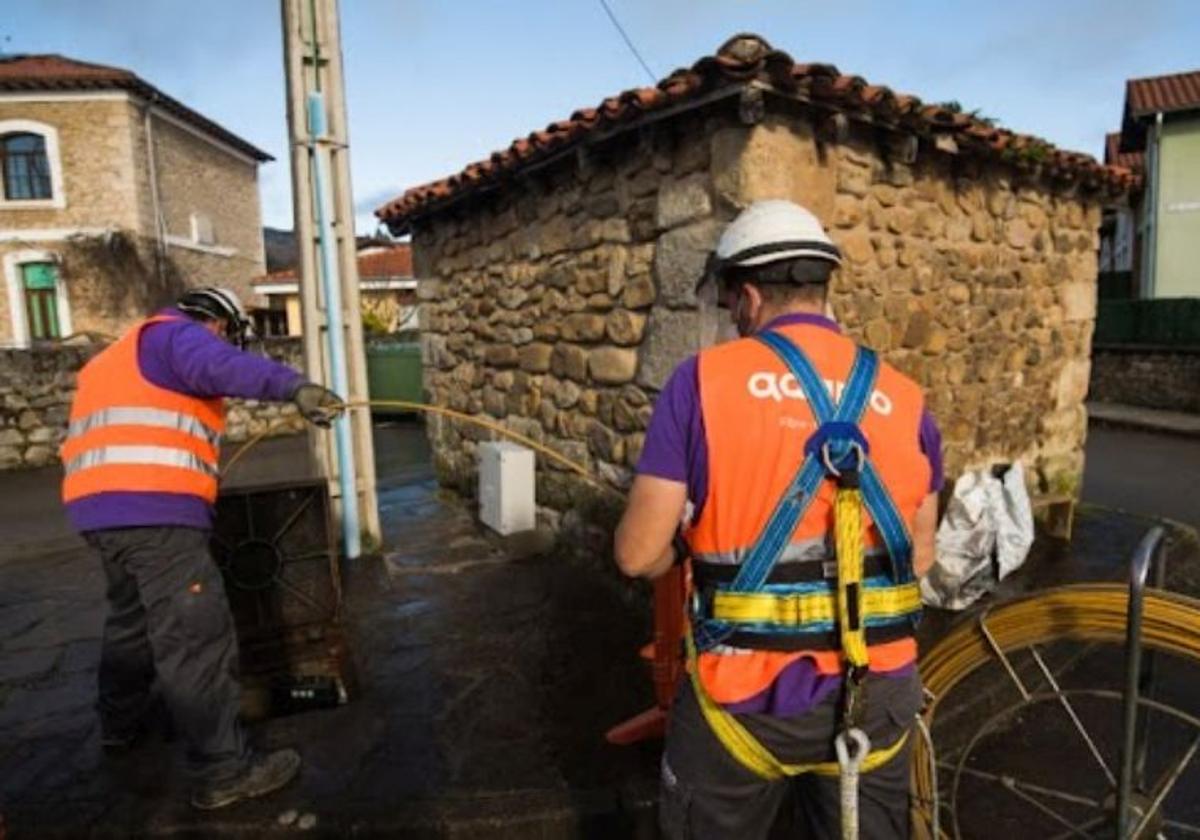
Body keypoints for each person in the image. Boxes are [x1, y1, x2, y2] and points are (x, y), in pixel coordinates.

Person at [614, 201, 943, 839]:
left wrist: (684, 546)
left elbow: (636, 554)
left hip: (744, 702)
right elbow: (920, 553)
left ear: (749, 296)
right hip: (877, 695)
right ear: (822, 288)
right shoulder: (906, 397)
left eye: (733, 305)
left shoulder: (701, 382)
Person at [60, 287, 344, 810]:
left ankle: (119, 725)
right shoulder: (178, 335)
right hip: (155, 513)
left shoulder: (114, 357)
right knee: (194, 636)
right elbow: (221, 367)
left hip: (98, 511)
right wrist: (295, 387)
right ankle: (223, 770)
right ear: (215, 322)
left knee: (132, 622)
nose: (223, 341)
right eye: (227, 333)